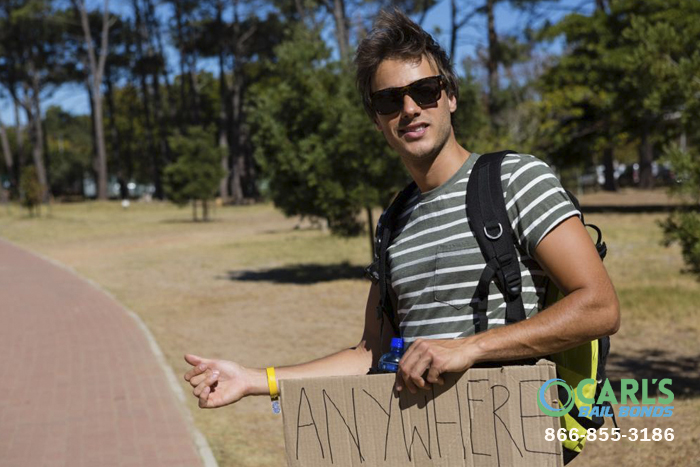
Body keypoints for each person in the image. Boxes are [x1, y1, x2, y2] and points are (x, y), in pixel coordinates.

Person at [184, 9, 619, 412]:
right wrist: (256, 379)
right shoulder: (394, 221)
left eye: (424, 91)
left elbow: (599, 307)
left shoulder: (515, 179)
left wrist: (470, 347)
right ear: (377, 119)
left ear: (450, 96)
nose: (409, 109)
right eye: (389, 100)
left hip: (512, 434)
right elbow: (371, 353)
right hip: (425, 444)